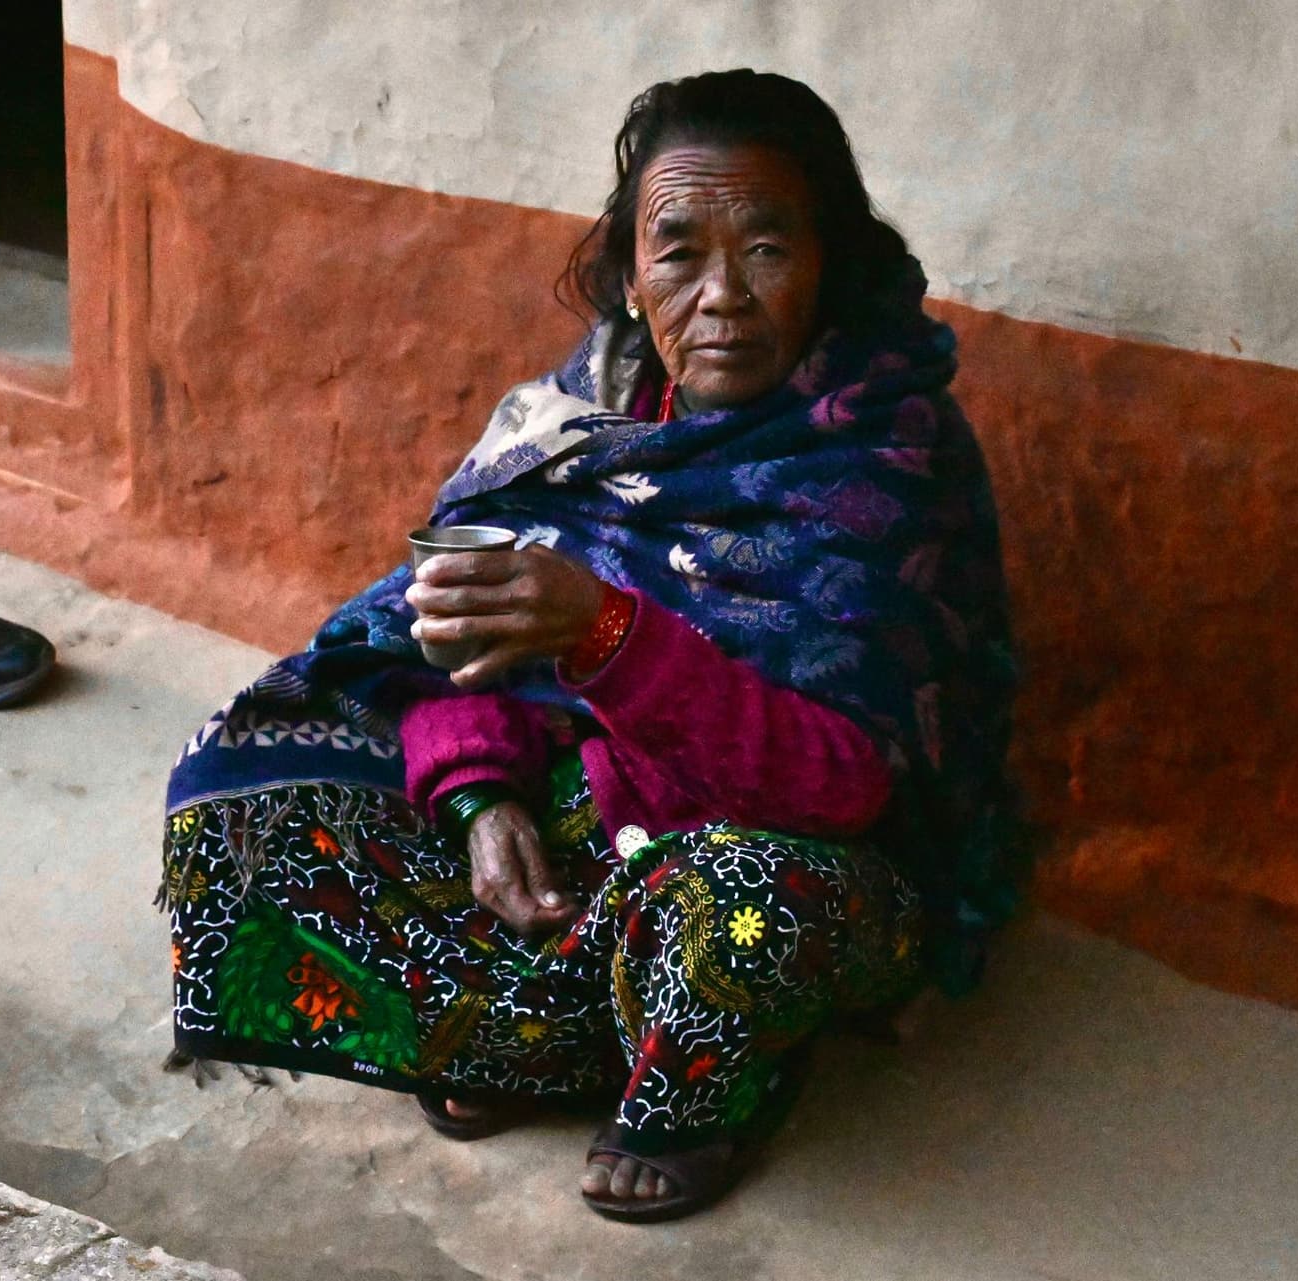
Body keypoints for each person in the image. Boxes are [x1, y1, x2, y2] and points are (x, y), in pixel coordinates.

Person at [159, 68, 1023, 1224]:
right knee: (246, 787)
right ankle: (550, 1031)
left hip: (764, 850)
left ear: (832, 263)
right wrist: (476, 797)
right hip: (571, 822)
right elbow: (438, 642)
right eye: (679, 252)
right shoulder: (583, 416)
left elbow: (845, 783)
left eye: (767, 248)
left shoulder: (881, 458)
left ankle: (700, 1075)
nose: (722, 296)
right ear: (627, 273)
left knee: (757, 912)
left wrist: (606, 633)